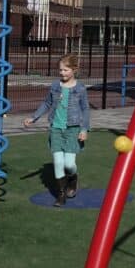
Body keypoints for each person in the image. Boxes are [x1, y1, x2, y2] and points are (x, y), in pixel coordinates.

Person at [23, 54, 90, 207]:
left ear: (74, 70)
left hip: (73, 129)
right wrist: (34, 118)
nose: (62, 73)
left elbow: (85, 109)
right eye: (60, 70)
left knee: (69, 164)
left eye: (66, 70)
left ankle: (73, 178)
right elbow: (47, 103)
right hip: (56, 129)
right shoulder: (55, 86)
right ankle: (61, 195)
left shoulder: (80, 88)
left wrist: (84, 129)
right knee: (58, 162)